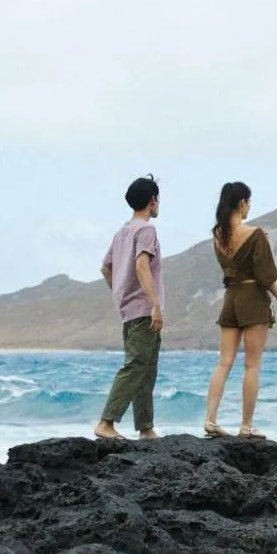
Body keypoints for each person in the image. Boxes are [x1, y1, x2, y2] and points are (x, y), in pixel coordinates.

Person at [203, 181, 277, 439]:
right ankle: (246, 426)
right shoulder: (254, 235)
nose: (249, 206)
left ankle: (210, 420)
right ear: (242, 202)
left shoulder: (217, 235)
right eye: (249, 202)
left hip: (231, 298)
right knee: (252, 365)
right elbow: (266, 276)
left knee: (224, 363)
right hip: (252, 299)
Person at [95, 175, 164, 440]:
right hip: (144, 309)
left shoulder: (123, 231)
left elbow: (105, 268)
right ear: (152, 201)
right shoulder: (146, 230)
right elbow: (141, 265)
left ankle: (145, 427)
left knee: (146, 369)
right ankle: (106, 422)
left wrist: (119, 292)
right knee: (136, 366)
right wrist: (154, 305)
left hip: (129, 310)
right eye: (158, 200)